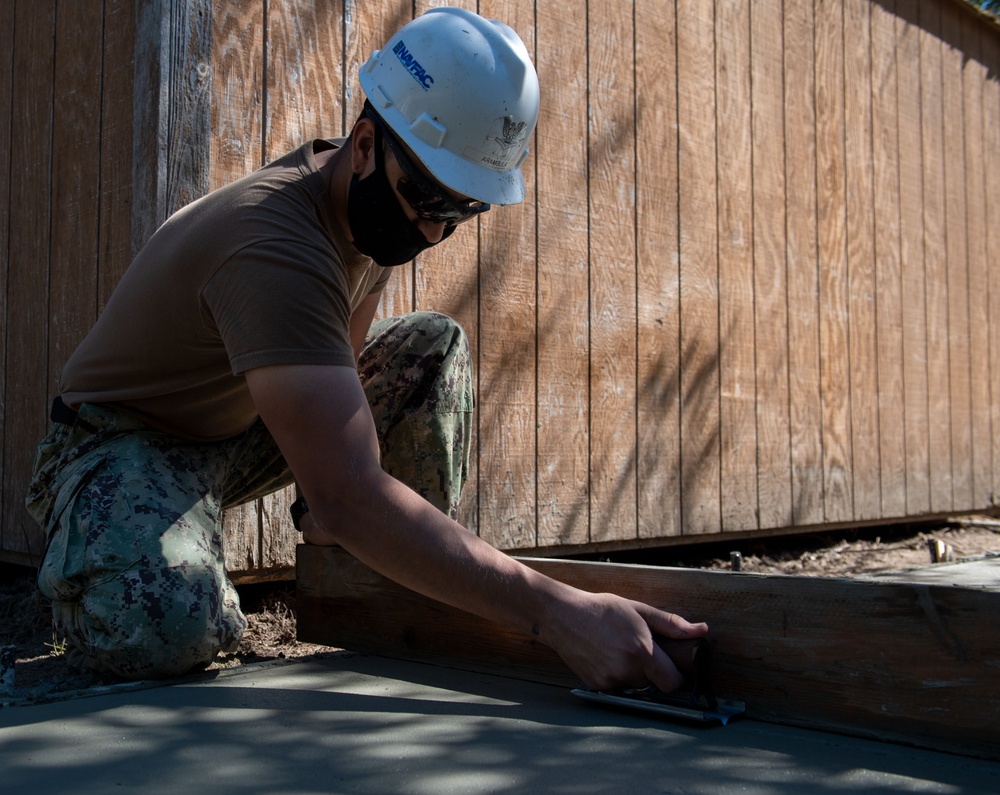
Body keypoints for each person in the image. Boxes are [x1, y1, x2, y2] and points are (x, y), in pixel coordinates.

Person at [25, 7, 707, 687]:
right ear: (363, 144)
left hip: (233, 427)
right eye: (426, 199)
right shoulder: (275, 250)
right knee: (174, 623)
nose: (433, 232)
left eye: (460, 211)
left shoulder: (367, 212)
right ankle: (98, 561)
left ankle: (384, 582)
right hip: (120, 444)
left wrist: (339, 502)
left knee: (430, 349)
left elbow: (346, 381)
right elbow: (348, 491)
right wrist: (555, 614)